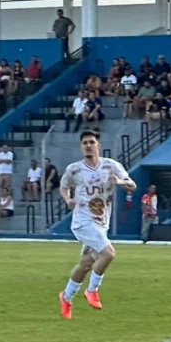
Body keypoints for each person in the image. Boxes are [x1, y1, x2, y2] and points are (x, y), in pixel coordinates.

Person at [58, 130, 136, 320]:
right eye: (84, 142)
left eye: (91, 142)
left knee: (85, 265)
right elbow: (63, 185)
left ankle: (66, 297)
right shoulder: (74, 169)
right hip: (83, 221)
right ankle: (92, 290)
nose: (88, 145)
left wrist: (119, 181)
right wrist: (68, 199)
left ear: (98, 145)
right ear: (81, 146)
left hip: (102, 221)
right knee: (108, 253)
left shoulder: (111, 166)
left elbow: (132, 185)